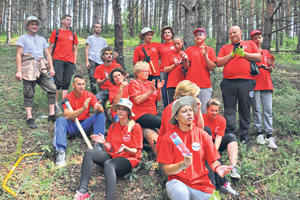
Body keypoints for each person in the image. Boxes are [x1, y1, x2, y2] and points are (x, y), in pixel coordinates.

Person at [157, 96, 233, 200]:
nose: (189, 113)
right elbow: (166, 170)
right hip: (178, 182)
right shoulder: (169, 137)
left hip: (201, 184)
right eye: (184, 111)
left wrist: (218, 167)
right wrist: (182, 165)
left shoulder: (203, 135)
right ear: (176, 117)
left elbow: (212, 160)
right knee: (181, 193)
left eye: (191, 110)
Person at [74, 98, 143, 200]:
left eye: (123, 109)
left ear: (128, 112)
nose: (120, 111)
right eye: (118, 109)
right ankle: (83, 191)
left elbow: (136, 152)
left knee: (109, 163)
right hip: (114, 156)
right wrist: (104, 142)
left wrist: (125, 148)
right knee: (89, 153)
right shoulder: (113, 126)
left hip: (128, 160)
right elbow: (110, 149)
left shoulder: (135, 126)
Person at [217, 25, 261, 144]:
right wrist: (231, 55)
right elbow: (218, 63)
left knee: (245, 109)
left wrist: (244, 54)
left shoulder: (250, 44)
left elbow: (258, 57)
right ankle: (230, 136)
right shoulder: (225, 47)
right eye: (230, 33)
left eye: (235, 32)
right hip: (228, 82)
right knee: (229, 109)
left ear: (240, 32)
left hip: (246, 82)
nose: (232, 35)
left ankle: (244, 137)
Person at [53, 75, 106, 167]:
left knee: (100, 116)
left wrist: (99, 108)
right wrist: (82, 109)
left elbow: (97, 106)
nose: (81, 86)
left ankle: (98, 145)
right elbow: (67, 115)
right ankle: (60, 151)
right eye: (79, 84)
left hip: (85, 125)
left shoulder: (89, 95)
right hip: (72, 125)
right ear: (73, 86)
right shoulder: (68, 98)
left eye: (83, 84)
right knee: (60, 120)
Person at [15, 16, 56, 129]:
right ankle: (29, 117)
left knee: (52, 88)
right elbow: (18, 55)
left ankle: (52, 114)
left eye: (36, 24)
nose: (34, 26)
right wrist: (19, 71)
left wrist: (51, 68)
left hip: (41, 66)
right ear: (28, 26)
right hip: (28, 67)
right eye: (32, 24)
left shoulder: (42, 39)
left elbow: (47, 54)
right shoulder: (23, 38)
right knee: (29, 92)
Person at [203, 98, 240, 196]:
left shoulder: (221, 120)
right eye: (212, 110)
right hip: (204, 143)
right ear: (207, 109)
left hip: (216, 142)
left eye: (216, 110)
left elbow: (219, 137)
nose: (214, 113)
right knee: (211, 157)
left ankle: (233, 167)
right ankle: (220, 185)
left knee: (231, 137)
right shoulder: (202, 119)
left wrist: (214, 151)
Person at [157, 80, 203, 153]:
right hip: (171, 147)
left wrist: (199, 109)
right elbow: (173, 136)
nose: (195, 98)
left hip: (187, 142)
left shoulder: (191, 107)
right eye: (194, 96)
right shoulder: (171, 109)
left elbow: (200, 129)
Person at [128, 61, 164, 154]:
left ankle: (168, 144)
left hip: (153, 113)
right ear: (137, 73)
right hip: (140, 115)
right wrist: (150, 91)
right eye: (144, 71)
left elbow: (158, 99)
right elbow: (137, 100)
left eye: (148, 71)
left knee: (167, 120)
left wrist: (159, 89)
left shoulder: (149, 83)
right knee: (161, 122)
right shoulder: (134, 84)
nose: (147, 73)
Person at [250, 30, 277, 149]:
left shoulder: (266, 52)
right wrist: (257, 67)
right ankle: (259, 132)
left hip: (267, 84)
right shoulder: (249, 53)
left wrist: (268, 67)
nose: (257, 40)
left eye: (259, 37)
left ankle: (269, 134)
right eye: (255, 38)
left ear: (262, 39)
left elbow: (271, 70)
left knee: (268, 110)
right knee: (256, 109)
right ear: (252, 40)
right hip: (254, 85)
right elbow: (248, 69)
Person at [182, 28, 217, 113]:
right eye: (196, 35)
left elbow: (212, 67)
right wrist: (185, 60)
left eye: (200, 34)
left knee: (203, 110)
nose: (198, 36)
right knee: (190, 110)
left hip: (205, 85)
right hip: (191, 85)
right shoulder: (189, 50)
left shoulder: (210, 50)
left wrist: (205, 56)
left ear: (205, 36)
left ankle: (202, 127)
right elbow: (186, 67)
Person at [49, 14, 78, 109]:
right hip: (58, 60)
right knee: (57, 83)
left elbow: (75, 49)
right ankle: (55, 104)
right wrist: (48, 61)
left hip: (69, 62)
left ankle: (63, 105)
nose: (69, 22)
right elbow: (51, 47)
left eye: (70, 20)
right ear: (62, 21)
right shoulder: (56, 32)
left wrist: (74, 62)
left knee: (66, 83)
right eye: (67, 20)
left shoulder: (73, 34)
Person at [85, 22, 108, 95]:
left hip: (101, 62)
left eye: (100, 27)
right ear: (93, 29)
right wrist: (87, 61)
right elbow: (87, 49)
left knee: (101, 79)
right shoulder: (90, 38)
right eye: (97, 27)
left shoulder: (103, 40)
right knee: (92, 79)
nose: (98, 29)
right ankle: (94, 96)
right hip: (92, 60)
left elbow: (105, 51)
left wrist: (106, 61)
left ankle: (101, 96)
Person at [163, 35, 185, 103]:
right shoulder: (169, 54)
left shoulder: (186, 53)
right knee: (173, 104)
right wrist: (174, 65)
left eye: (178, 43)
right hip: (171, 84)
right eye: (174, 44)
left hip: (183, 84)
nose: (176, 45)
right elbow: (165, 70)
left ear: (182, 43)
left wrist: (184, 60)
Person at [159, 26, 176, 107]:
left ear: (172, 34)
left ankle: (174, 107)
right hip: (163, 70)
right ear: (163, 35)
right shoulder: (160, 46)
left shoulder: (176, 43)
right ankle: (166, 108)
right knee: (164, 90)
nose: (167, 34)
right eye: (165, 33)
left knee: (173, 90)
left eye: (169, 32)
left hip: (174, 69)